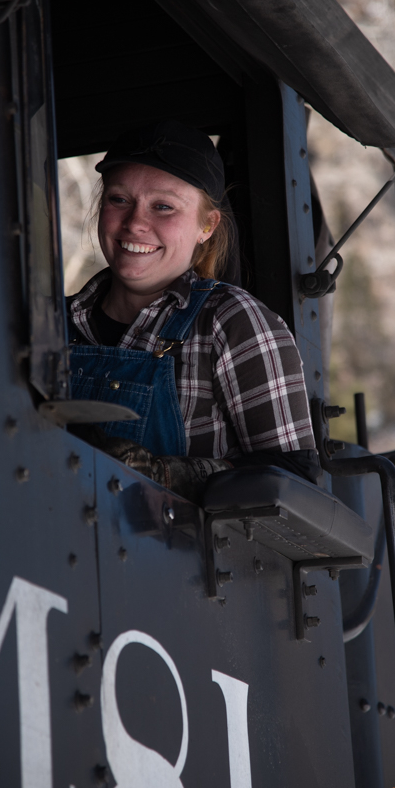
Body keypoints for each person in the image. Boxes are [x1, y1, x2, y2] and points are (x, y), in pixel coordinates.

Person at [66, 119, 321, 503]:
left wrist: (170, 475)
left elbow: (296, 480)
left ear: (207, 225)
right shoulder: (52, 321)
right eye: (119, 199)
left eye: (163, 207)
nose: (135, 223)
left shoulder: (232, 323)